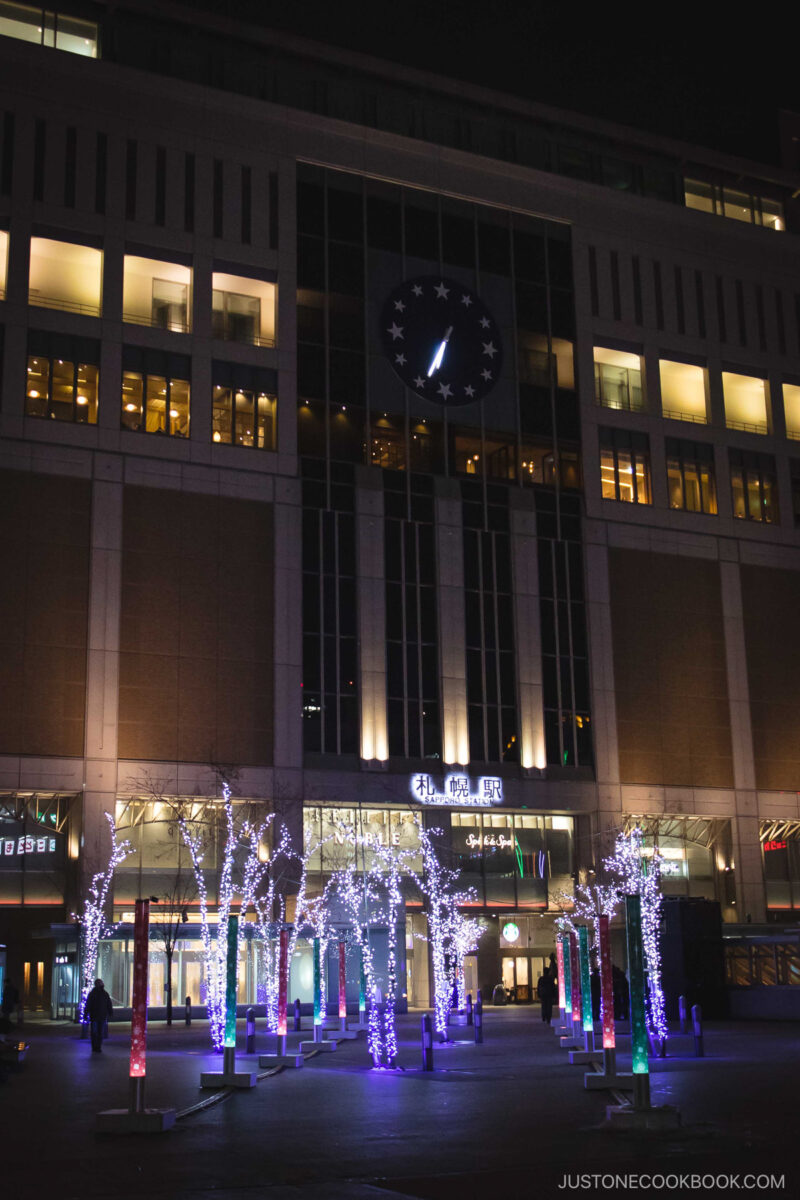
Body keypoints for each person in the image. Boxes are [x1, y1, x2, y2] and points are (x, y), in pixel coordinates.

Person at [85, 978, 113, 1053]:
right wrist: (110, 1012)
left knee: (98, 1032)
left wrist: (110, 1011)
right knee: (96, 1032)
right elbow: (88, 1004)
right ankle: (96, 1047)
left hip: (98, 1016)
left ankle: (97, 1047)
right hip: (97, 1016)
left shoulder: (102, 994)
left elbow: (108, 1004)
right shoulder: (97, 994)